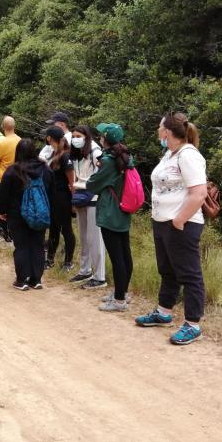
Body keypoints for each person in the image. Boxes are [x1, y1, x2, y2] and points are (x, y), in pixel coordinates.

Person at [135, 112, 208, 345]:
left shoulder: (189, 156)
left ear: (167, 131)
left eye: (159, 128)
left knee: (189, 274)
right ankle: (163, 312)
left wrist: (179, 220)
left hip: (182, 223)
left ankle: (192, 324)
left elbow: (199, 193)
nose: (157, 131)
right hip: (163, 221)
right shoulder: (169, 154)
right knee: (167, 270)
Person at [86, 123, 135, 312]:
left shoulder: (108, 161)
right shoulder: (126, 158)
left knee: (117, 257)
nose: (99, 138)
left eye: (101, 136)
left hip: (110, 211)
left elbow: (92, 184)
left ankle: (119, 300)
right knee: (125, 253)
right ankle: (122, 292)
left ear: (105, 139)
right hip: (124, 209)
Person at [0, 139, 54, 290]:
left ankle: (22, 279)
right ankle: (36, 279)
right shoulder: (45, 169)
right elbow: (50, 190)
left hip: (17, 214)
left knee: (21, 246)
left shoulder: (12, 171)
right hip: (39, 213)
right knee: (38, 244)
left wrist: (2, 211)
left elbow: (3, 194)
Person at [68, 125, 106, 289]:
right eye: (74, 136)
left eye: (79, 136)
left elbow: (102, 173)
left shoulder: (95, 152)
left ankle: (100, 276)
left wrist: (92, 186)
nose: (75, 139)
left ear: (86, 136)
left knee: (95, 238)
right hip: (81, 196)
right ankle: (85, 270)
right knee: (84, 236)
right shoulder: (77, 153)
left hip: (93, 197)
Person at [44, 127, 76, 271]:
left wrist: (74, 202)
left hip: (63, 198)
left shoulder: (65, 156)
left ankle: (68, 262)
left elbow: (72, 181)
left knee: (66, 229)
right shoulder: (54, 153)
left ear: (50, 138)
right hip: (53, 198)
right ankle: (50, 259)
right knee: (53, 229)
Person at [0, 116, 21, 242]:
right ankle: (14, 235)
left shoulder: (2, 142)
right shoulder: (20, 140)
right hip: (17, 178)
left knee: (1, 207)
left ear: (3, 127)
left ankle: (4, 235)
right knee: (14, 206)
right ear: (14, 126)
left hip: (2, 178)